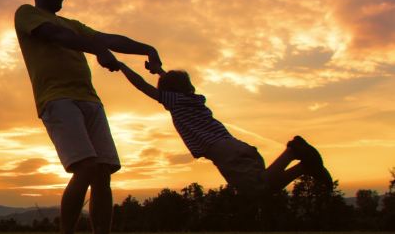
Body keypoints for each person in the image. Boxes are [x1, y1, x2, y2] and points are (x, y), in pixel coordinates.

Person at [14, 0, 163, 234]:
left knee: (103, 173)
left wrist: (147, 48)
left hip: (90, 101)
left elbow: (108, 38)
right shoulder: (27, 13)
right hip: (57, 99)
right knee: (85, 167)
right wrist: (97, 49)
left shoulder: (73, 24)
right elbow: (55, 35)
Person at [116, 61, 333, 196]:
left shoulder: (174, 102)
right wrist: (159, 71)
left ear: (169, 93)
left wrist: (122, 66)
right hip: (235, 147)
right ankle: (304, 165)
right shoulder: (193, 100)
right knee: (263, 188)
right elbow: (174, 85)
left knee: (258, 191)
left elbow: (143, 87)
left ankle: (294, 153)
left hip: (224, 153)